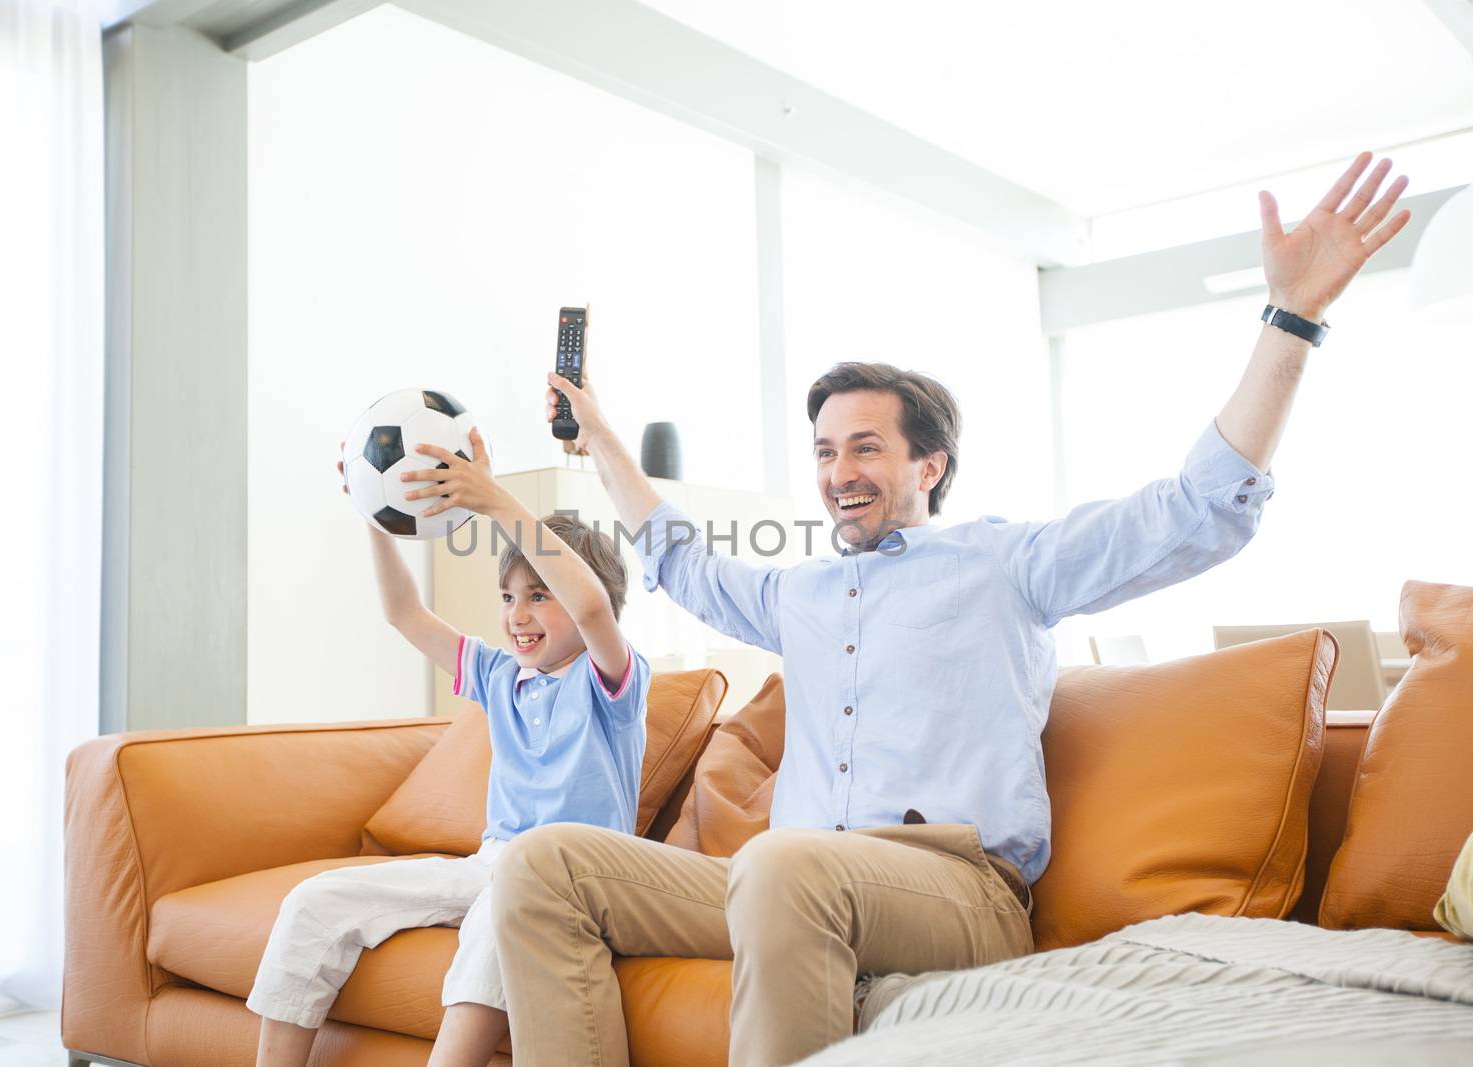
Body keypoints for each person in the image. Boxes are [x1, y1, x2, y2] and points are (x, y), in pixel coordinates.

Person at [491, 152, 1412, 1067]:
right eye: (822, 452)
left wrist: (1293, 317)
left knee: (783, 862)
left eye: (865, 448)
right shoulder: (797, 594)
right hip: (788, 880)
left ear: (928, 465)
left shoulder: (1003, 563)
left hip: (956, 888)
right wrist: (597, 427)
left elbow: (1196, 510)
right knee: (543, 865)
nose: (838, 473)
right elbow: (678, 556)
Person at [246, 427, 651, 1067]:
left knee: (503, 914)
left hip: (571, 880)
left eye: (540, 597)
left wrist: (495, 502)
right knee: (316, 900)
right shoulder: (499, 677)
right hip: (490, 864)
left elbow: (594, 608)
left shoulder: (611, 680)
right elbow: (405, 615)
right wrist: (375, 515)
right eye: (509, 597)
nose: (518, 614)